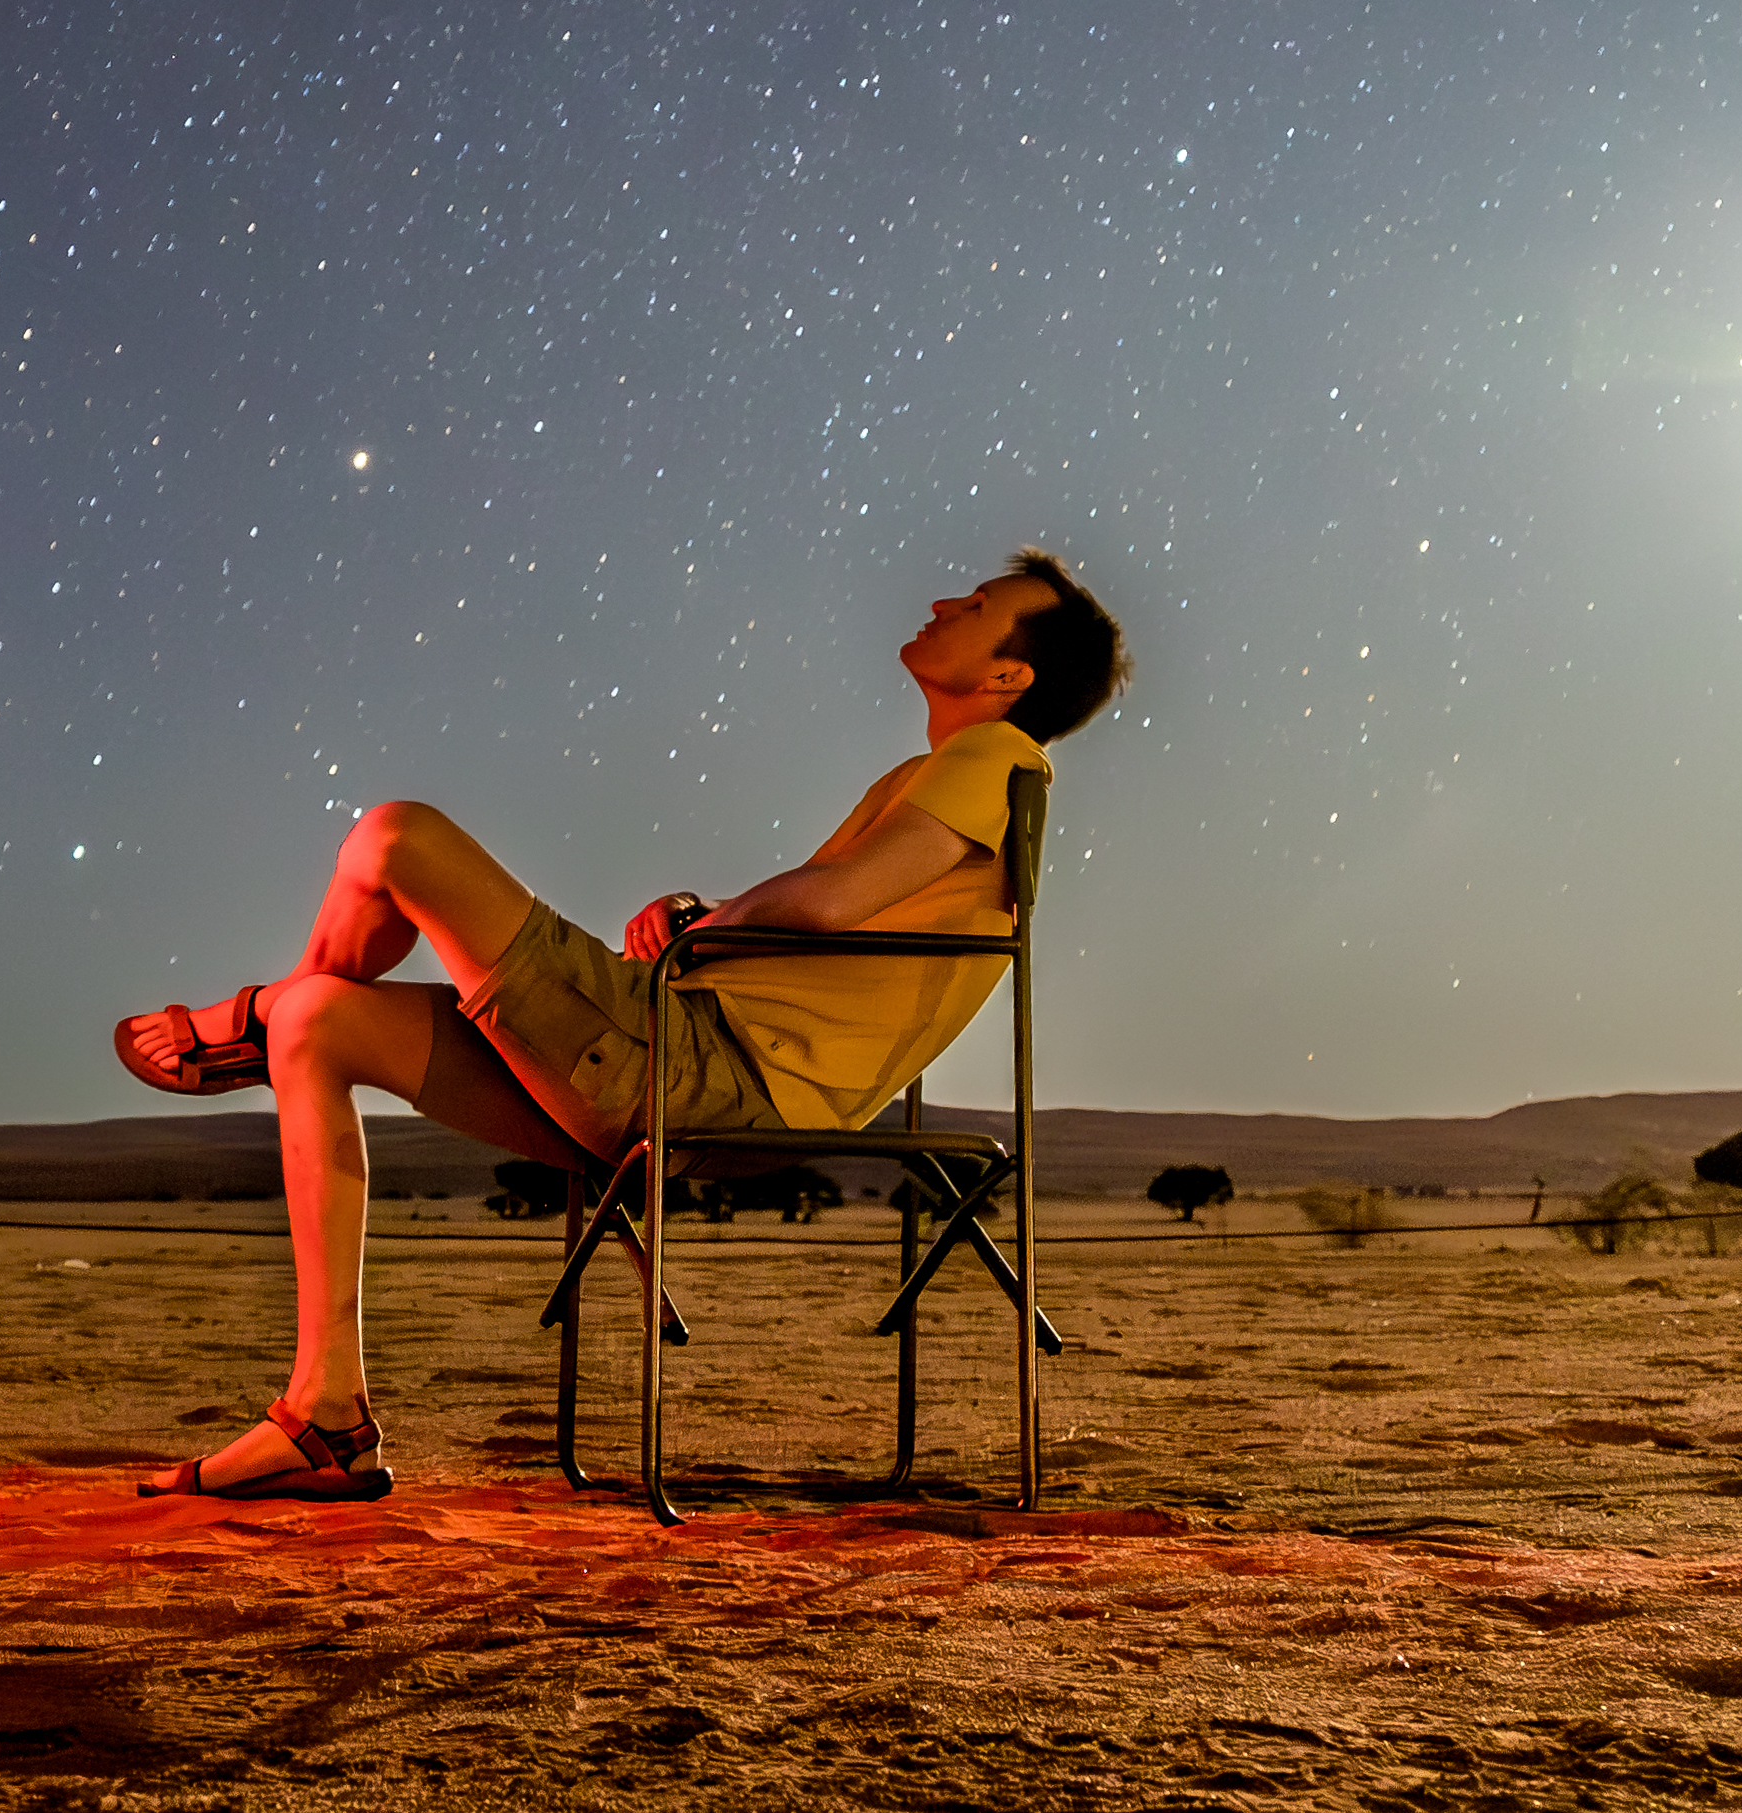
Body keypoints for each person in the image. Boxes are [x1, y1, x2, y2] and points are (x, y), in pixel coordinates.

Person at [109, 552, 1130, 1500]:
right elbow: (838, 925)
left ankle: (247, 1017)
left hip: (708, 1072)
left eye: (978, 607)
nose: (945, 602)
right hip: (695, 1062)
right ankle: (325, 1413)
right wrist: (705, 918)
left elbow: (828, 902)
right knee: (321, 1021)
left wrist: (709, 927)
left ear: (1008, 677)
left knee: (396, 835)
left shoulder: (995, 754)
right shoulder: (943, 775)